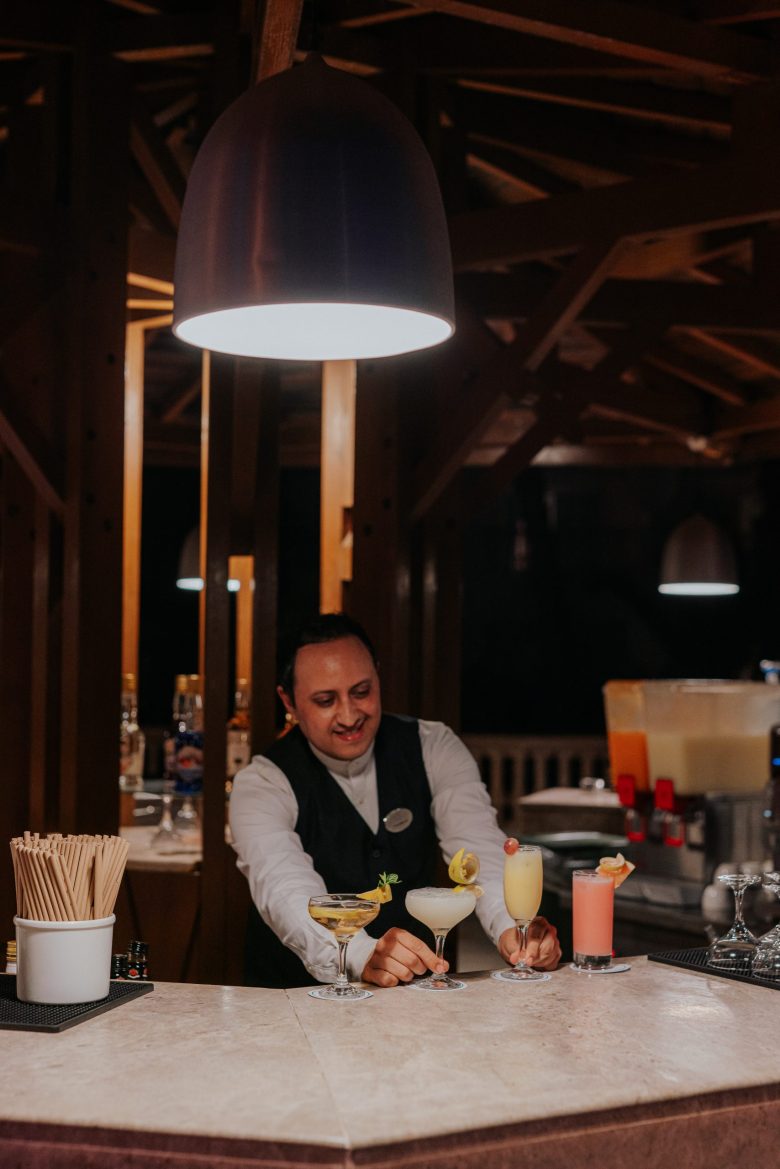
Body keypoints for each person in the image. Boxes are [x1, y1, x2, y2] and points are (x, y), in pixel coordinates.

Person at [229, 613, 561, 989]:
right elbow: (284, 887)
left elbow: (477, 847)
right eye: (325, 700)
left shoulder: (433, 747)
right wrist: (360, 953)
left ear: (378, 677)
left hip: (415, 996)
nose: (349, 715)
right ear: (288, 701)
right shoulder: (261, 782)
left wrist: (511, 926)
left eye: (361, 691)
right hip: (294, 998)